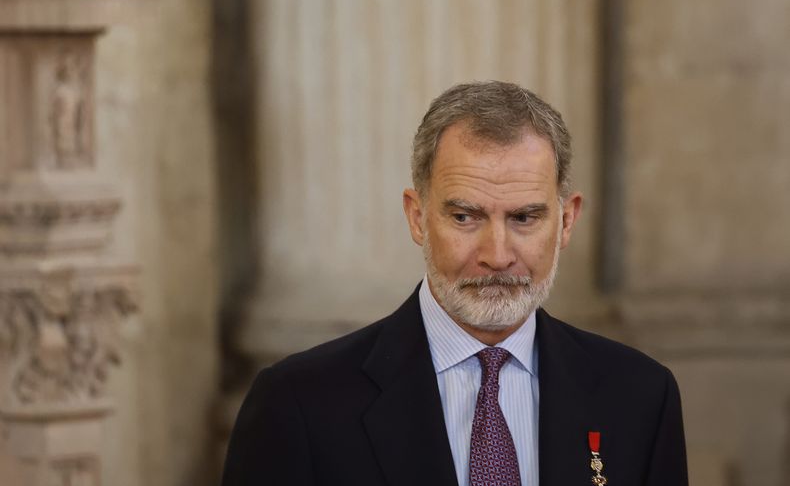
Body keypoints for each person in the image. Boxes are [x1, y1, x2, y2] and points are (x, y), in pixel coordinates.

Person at [221, 81, 688, 486]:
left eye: (525, 218)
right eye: (465, 217)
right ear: (417, 216)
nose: (497, 255)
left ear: (566, 222)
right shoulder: (300, 403)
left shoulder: (641, 397)